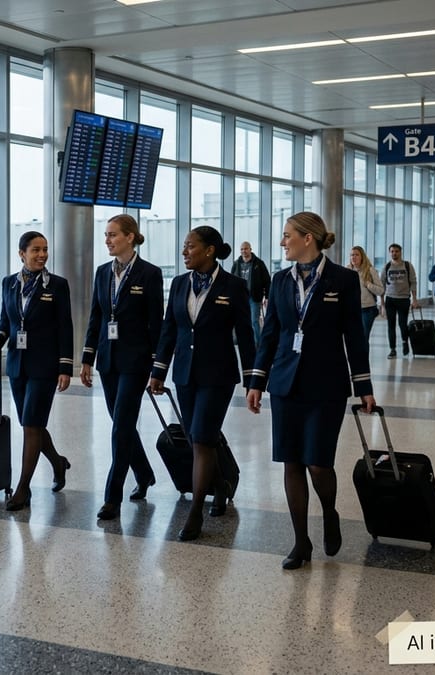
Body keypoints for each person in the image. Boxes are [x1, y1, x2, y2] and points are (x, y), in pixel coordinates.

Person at [247, 212, 375, 570]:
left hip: (327, 384)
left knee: (318, 464)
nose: (282, 241)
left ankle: (330, 512)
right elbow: (270, 334)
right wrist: (257, 382)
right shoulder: (279, 281)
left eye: (288, 235)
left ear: (308, 238)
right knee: (292, 461)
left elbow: (355, 335)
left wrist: (363, 386)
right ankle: (301, 541)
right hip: (286, 383)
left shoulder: (343, 280)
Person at [148, 225, 255, 542]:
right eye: (184, 246)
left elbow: (246, 335)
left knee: (204, 438)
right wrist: (158, 370)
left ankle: (195, 511)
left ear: (209, 250)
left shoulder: (234, 286)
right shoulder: (180, 283)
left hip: (218, 375)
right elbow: (170, 328)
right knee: (197, 438)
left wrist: (253, 380)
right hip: (185, 373)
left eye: (190, 246)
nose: (184, 252)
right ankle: (220, 485)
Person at [80, 214, 163, 520]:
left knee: (121, 425)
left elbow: (157, 322)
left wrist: (158, 367)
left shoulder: (149, 274)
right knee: (121, 420)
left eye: (113, 234)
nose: (107, 240)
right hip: (108, 358)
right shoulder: (103, 273)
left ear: (130, 237)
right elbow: (96, 317)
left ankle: (112, 496)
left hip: (136, 360)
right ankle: (144, 472)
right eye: (106, 235)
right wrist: (88, 358)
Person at [0, 231, 74, 511]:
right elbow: (5, 319)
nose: (42, 255)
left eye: (45, 250)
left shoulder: (57, 285)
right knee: (31, 422)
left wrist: (65, 366)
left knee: (31, 425)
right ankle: (58, 463)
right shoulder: (9, 283)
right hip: (17, 365)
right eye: (36, 250)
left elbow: (65, 326)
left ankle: (23, 488)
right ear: (21, 253)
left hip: (45, 366)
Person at [380, 243, 419, 359]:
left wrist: (415, 299)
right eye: (392, 251)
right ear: (389, 252)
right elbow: (381, 285)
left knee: (403, 324)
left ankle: (404, 342)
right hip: (390, 299)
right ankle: (392, 349)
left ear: (400, 252)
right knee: (390, 325)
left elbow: (413, 282)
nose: (394, 253)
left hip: (403, 299)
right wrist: (382, 304)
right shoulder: (387, 267)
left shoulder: (407, 265)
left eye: (396, 251)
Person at [230, 241, 271, 347]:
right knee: (240, 321)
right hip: (240, 297)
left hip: (254, 297)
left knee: (254, 321)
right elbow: (231, 280)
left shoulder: (258, 263)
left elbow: (267, 281)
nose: (244, 251)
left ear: (250, 249)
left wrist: (267, 296)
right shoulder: (236, 263)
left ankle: (258, 344)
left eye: (246, 249)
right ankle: (243, 342)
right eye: (242, 249)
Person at [347, 246, 384, 342]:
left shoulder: (370, 270)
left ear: (362, 257)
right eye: (352, 255)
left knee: (363, 338)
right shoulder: (347, 271)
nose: (353, 257)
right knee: (352, 339)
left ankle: (363, 357)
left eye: (356, 255)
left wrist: (368, 284)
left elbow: (381, 290)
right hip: (351, 309)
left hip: (367, 310)